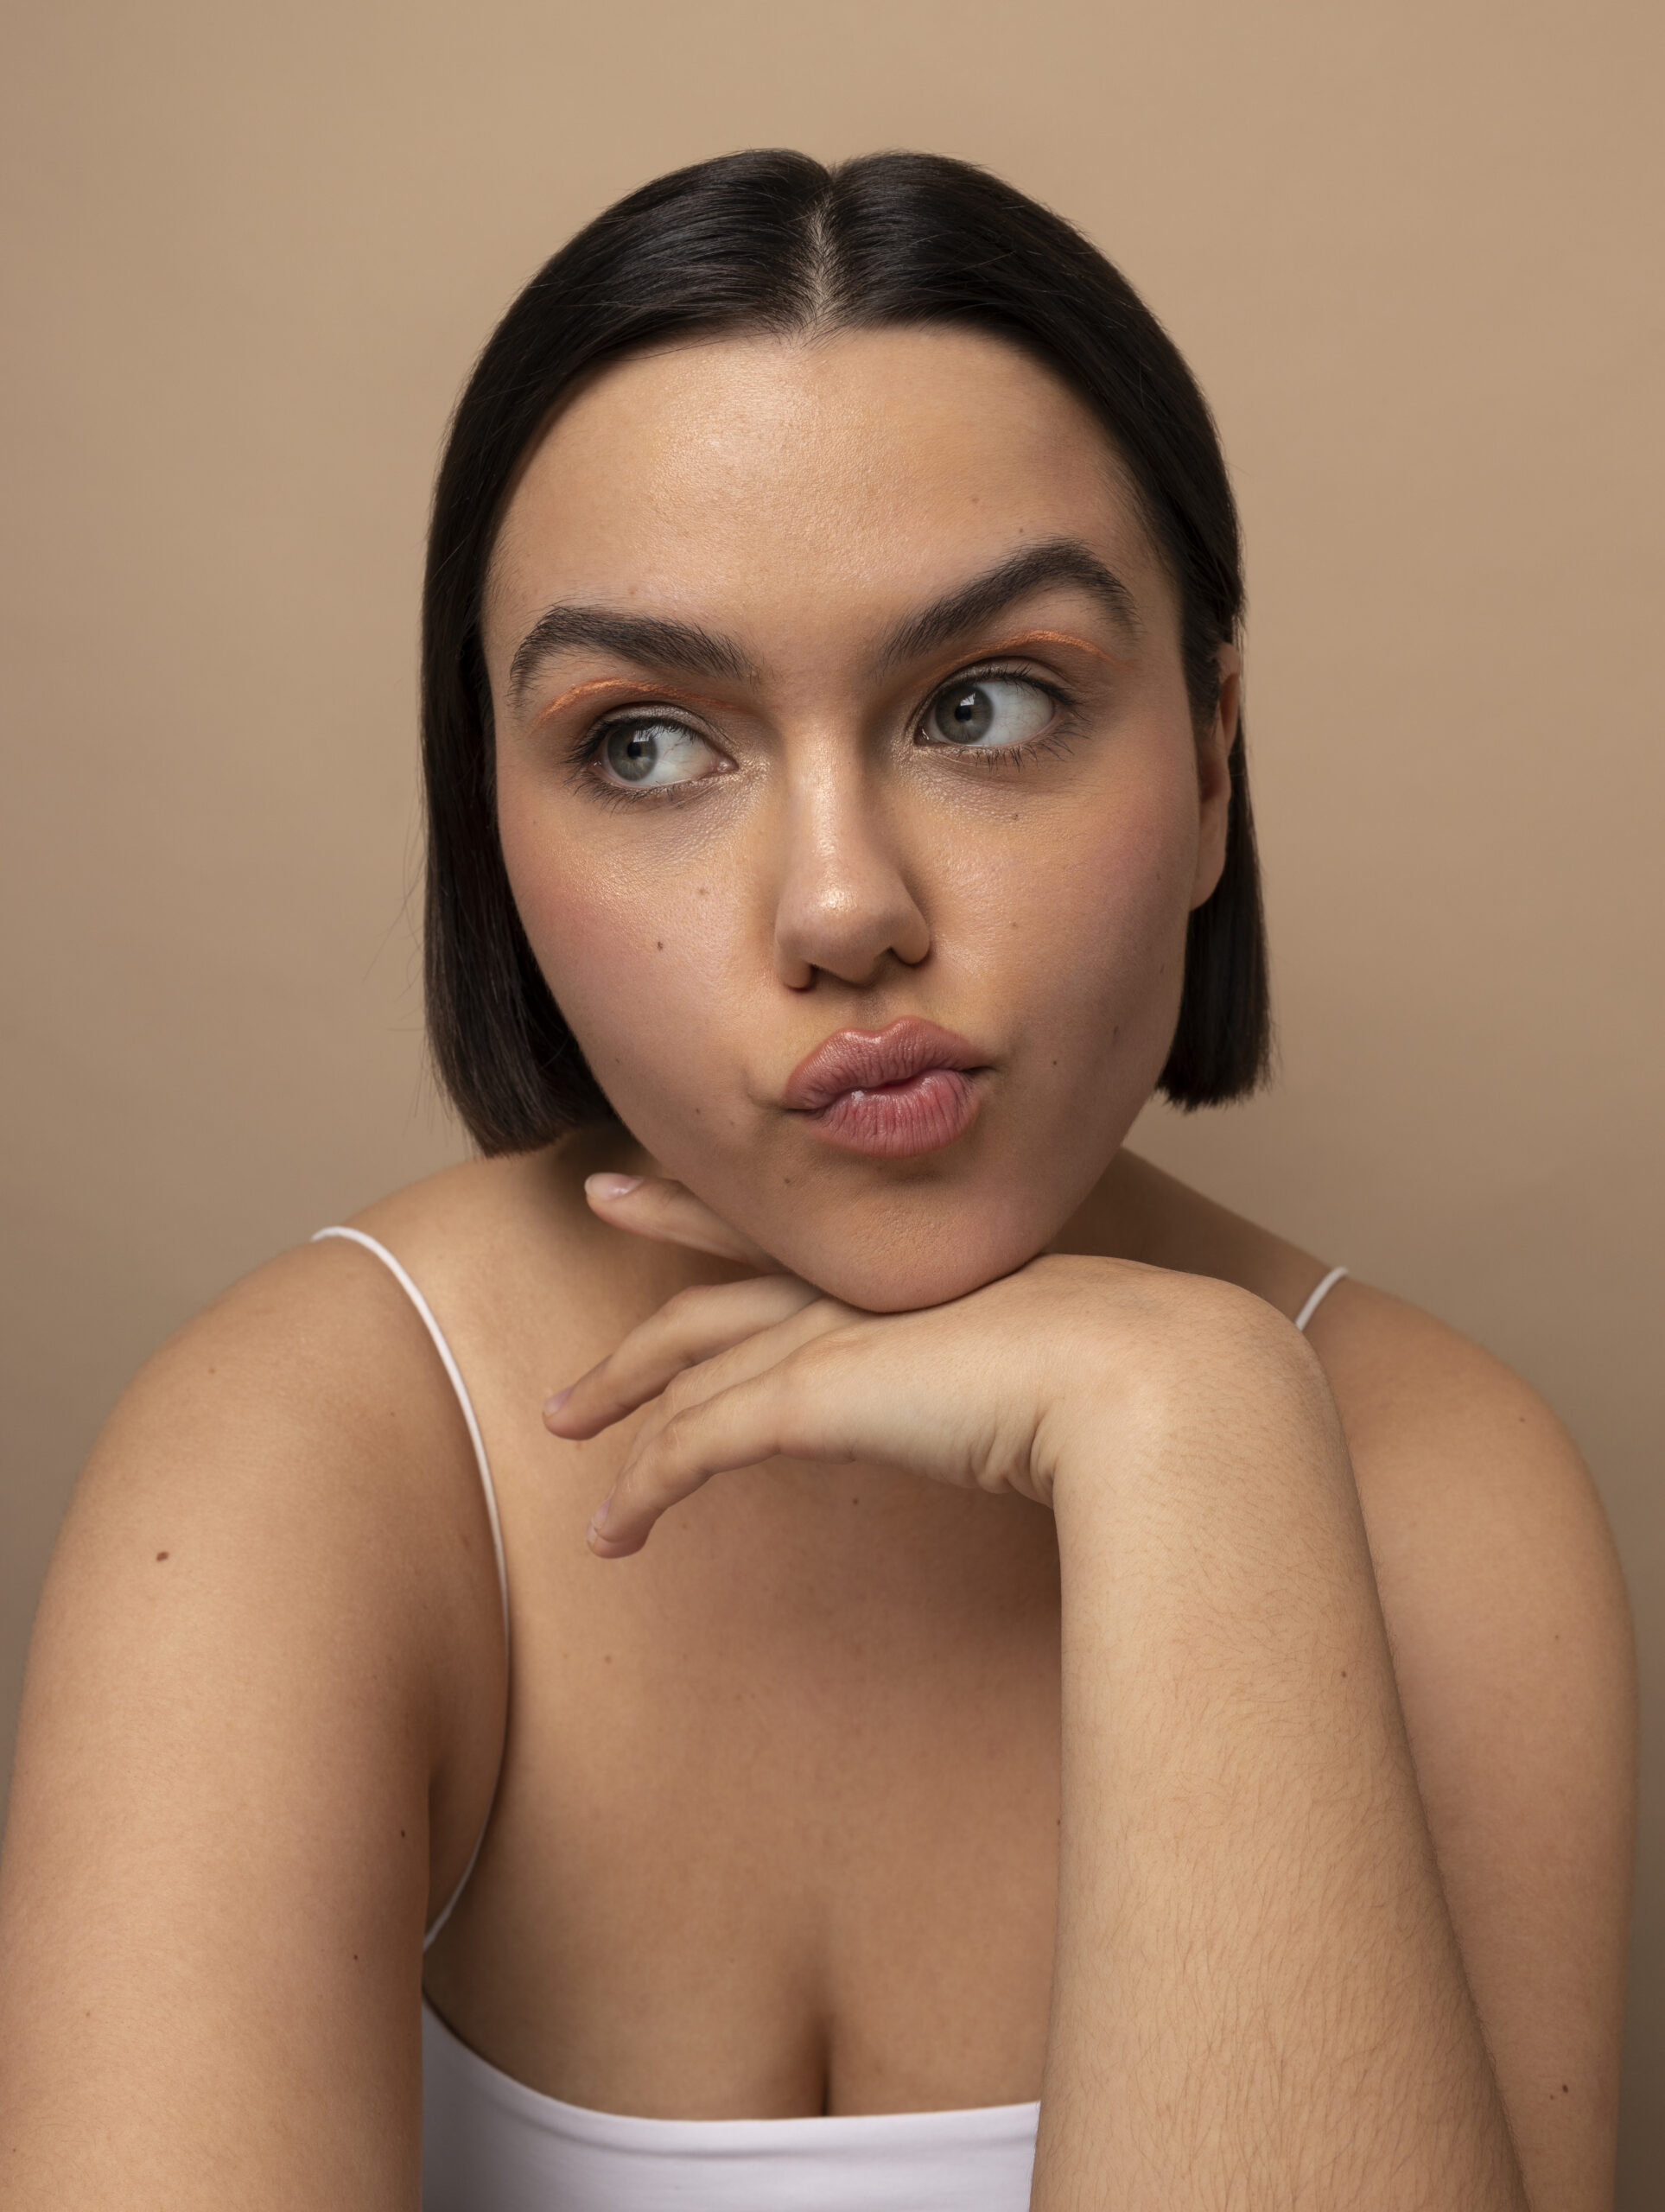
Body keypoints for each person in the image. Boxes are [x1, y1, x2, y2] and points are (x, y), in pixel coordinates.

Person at [0, 150, 1635, 2211]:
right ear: (489, 833)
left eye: (984, 703)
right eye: (650, 745)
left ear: (1212, 760)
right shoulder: (309, 1456)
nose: (846, 907)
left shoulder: (1438, 1499)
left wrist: (1193, 1437)